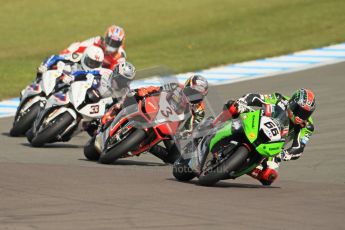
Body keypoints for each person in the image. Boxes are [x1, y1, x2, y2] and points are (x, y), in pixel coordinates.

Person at [214, 89, 316, 185]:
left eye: (305, 114)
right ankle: (213, 126)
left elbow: (299, 148)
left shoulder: (307, 127)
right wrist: (242, 102)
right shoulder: (280, 99)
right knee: (232, 106)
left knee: (269, 176)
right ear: (292, 103)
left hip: (274, 146)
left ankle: (237, 166)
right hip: (258, 124)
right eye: (299, 110)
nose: (300, 116)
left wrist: (284, 154)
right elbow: (256, 98)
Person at [101, 74, 209, 163]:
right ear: (186, 86)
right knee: (132, 96)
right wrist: (143, 91)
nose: (194, 96)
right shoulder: (176, 87)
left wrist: (184, 133)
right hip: (156, 109)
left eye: (198, 96)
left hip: (172, 127)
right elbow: (157, 89)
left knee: (173, 158)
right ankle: (113, 114)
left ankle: (149, 146)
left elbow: (194, 126)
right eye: (192, 92)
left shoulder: (199, 110)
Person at [67, 61, 136, 136]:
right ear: (116, 74)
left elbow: (121, 105)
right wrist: (72, 77)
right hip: (88, 93)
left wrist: (117, 107)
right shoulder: (104, 72)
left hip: (98, 111)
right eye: (122, 79)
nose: (124, 83)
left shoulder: (125, 91)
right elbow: (86, 72)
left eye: (127, 81)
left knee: (96, 132)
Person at [59, 24, 126, 70]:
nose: (111, 45)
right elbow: (80, 46)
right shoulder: (97, 41)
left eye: (115, 43)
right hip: (84, 66)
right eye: (110, 41)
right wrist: (66, 53)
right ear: (105, 37)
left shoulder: (120, 55)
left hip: (100, 78)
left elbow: (114, 75)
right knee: (75, 45)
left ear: (120, 43)